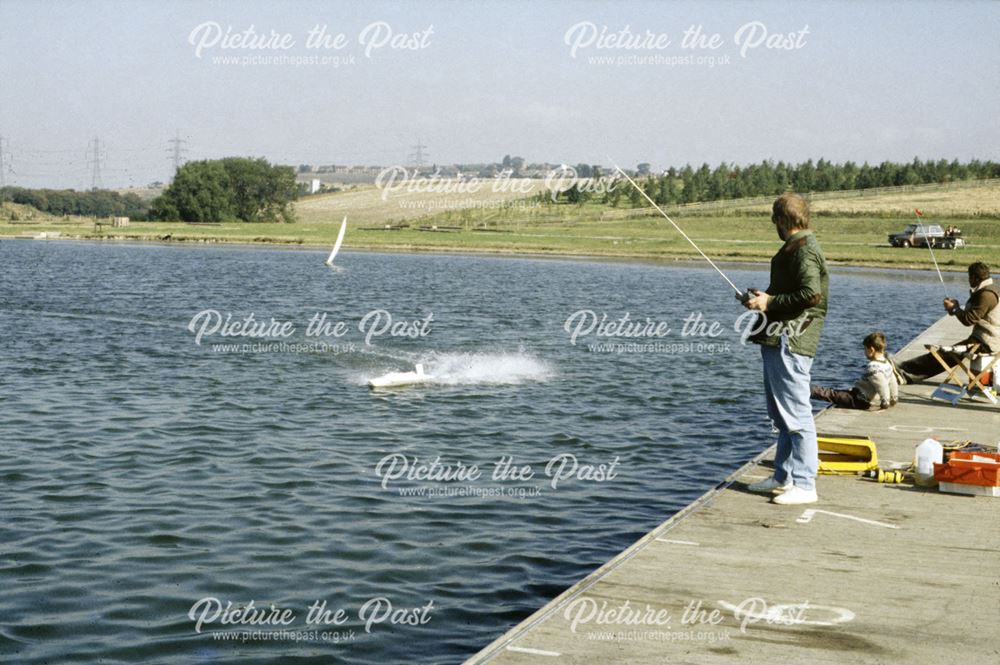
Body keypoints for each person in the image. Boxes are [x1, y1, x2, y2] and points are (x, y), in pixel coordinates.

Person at [741, 193, 829, 506]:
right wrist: (763, 298)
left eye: (775, 220)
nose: (773, 225)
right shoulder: (795, 247)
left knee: (797, 414)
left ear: (783, 220)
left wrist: (771, 302)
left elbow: (811, 294)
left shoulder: (804, 249)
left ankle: (806, 485)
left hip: (792, 341)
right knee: (781, 415)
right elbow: (792, 292)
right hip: (779, 338)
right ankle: (783, 476)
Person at [893, 262, 1000, 384]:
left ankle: (906, 372)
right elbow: (972, 314)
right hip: (983, 340)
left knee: (945, 355)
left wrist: (955, 309)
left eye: (969, 277)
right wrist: (954, 309)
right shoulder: (990, 289)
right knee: (945, 354)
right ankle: (906, 369)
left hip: (987, 343)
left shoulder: (986, 295)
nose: (969, 280)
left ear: (975, 277)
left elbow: (969, 320)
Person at [811, 332, 898, 410]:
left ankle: (809, 390)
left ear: (871, 350)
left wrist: (885, 402)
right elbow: (892, 381)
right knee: (840, 393)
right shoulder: (887, 363)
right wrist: (894, 398)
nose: (864, 352)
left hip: (860, 400)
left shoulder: (873, 367)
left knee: (831, 394)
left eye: (865, 349)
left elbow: (881, 385)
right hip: (863, 397)